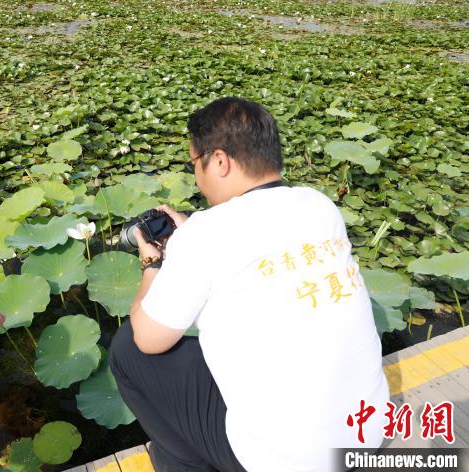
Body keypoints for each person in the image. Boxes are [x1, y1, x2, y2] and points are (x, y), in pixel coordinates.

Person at [108, 97, 389, 472]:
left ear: (219, 161)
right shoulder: (318, 205)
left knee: (127, 348)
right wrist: (192, 238)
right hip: (365, 435)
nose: (196, 176)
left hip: (285, 462)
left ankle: (182, 462)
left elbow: (148, 338)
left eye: (195, 163)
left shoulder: (206, 236)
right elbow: (260, 247)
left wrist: (153, 262)